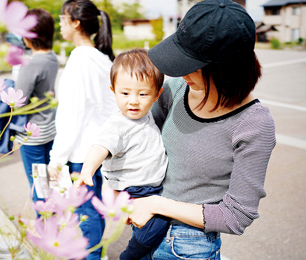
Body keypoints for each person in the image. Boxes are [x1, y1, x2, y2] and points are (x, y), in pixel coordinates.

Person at [127, 0, 277, 259]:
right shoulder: (175, 89)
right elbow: (138, 138)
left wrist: (156, 203)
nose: (181, 71)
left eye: (190, 63)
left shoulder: (253, 123)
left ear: (225, 69)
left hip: (188, 245)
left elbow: (236, 216)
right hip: (144, 225)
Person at [75, 48, 168, 260]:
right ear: (113, 91)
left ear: (157, 95)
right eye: (125, 93)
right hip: (136, 188)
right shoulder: (118, 124)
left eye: (142, 94)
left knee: (148, 227)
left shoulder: (144, 116)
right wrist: (87, 170)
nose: (133, 101)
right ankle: (130, 256)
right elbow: (100, 146)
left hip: (148, 186)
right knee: (158, 223)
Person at [47, 0, 117, 259]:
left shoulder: (80, 59)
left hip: (80, 153)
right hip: (96, 150)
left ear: (75, 23)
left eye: (62, 19)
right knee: (92, 210)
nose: (60, 25)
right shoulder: (100, 58)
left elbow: (72, 115)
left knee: (84, 215)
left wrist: (56, 159)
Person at [14, 9, 59, 207]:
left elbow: (18, 100)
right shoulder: (52, 57)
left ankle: (45, 228)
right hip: (50, 127)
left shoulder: (31, 64)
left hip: (32, 134)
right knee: (51, 183)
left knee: (39, 186)